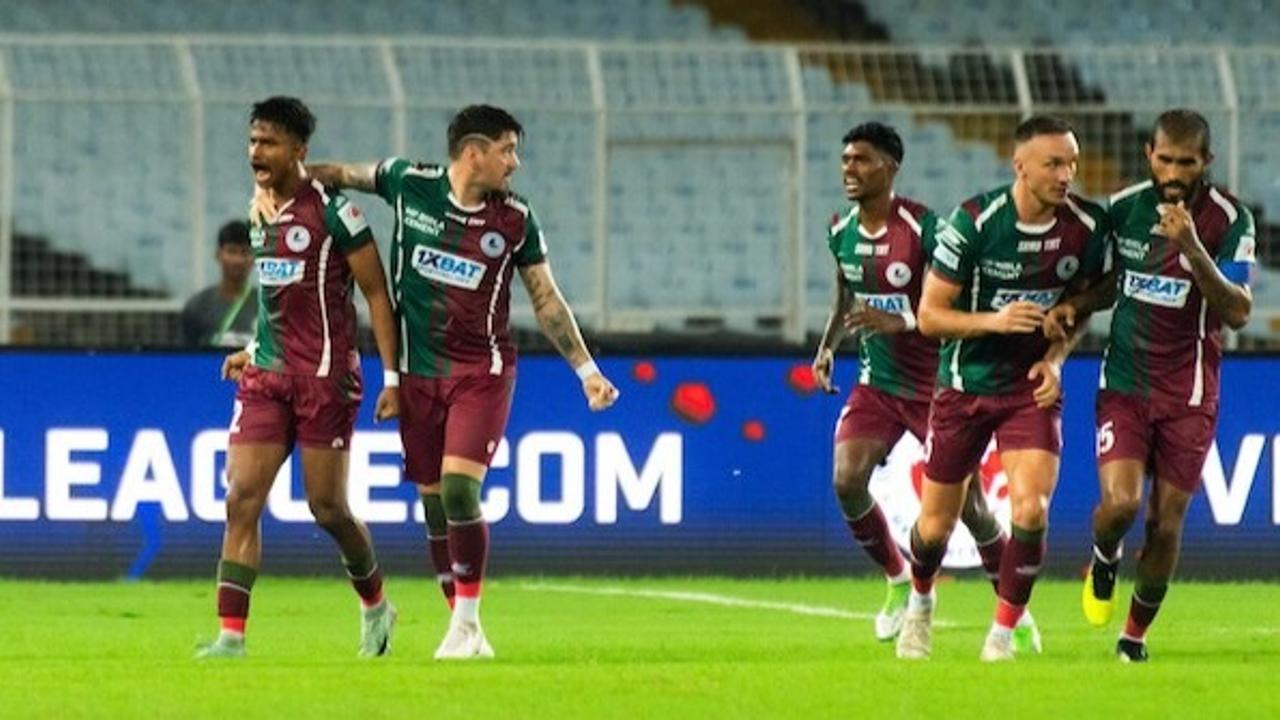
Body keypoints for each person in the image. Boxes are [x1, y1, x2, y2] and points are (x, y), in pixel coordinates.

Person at [289, 104, 619, 660]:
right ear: (474, 151)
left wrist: (587, 371)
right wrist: (286, 192)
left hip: (482, 373)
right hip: (419, 374)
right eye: (507, 149)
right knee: (436, 508)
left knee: (463, 490)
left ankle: (467, 622)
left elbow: (544, 297)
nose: (514, 163)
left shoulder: (514, 218)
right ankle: (465, 631)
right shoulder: (406, 182)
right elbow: (339, 174)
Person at [812, 121, 1039, 652]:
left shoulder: (926, 230)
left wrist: (908, 322)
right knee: (847, 479)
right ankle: (897, 582)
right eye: (846, 159)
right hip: (880, 382)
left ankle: (1016, 614)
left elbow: (957, 301)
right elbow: (846, 295)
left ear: (890, 168)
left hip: (940, 384)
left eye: (861, 160)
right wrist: (827, 346)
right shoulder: (838, 229)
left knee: (974, 512)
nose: (849, 168)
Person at [196, 96, 402, 659]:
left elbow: (378, 295)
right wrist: (256, 347)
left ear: (299, 151)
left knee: (327, 508)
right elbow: (278, 296)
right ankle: (230, 637)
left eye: (270, 143)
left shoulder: (338, 215)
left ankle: (376, 603)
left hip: (326, 380)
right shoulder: (259, 209)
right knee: (241, 498)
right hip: (268, 376)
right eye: (253, 141)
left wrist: (394, 379)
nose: (256, 153)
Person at [897, 115, 1109, 661]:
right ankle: (920, 604)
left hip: (1028, 388)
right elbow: (928, 317)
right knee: (936, 524)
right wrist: (995, 321)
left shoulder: (1085, 226)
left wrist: (1056, 359)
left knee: (1031, 510)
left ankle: (1002, 632)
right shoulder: (974, 222)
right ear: (1020, 166)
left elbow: (1080, 306)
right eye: (1054, 164)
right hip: (964, 386)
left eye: (1072, 164)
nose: (1067, 175)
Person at [1048, 109, 1254, 662]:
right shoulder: (1124, 210)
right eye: (1164, 159)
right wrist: (1078, 303)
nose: (1173, 171)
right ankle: (1105, 556)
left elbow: (1237, 310)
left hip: (1189, 395)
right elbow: (1111, 281)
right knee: (1119, 505)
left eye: (1186, 162)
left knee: (1165, 524)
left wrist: (1191, 248)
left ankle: (1133, 637)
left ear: (1204, 163)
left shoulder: (1230, 220)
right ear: (1149, 155)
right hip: (1126, 384)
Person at [180, 220, 257, 347]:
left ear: (253, 258)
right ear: (218, 255)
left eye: (244, 252)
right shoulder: (197, 307)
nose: (238, 260)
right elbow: (186, 358)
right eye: (232, 251)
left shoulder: (267, 307)